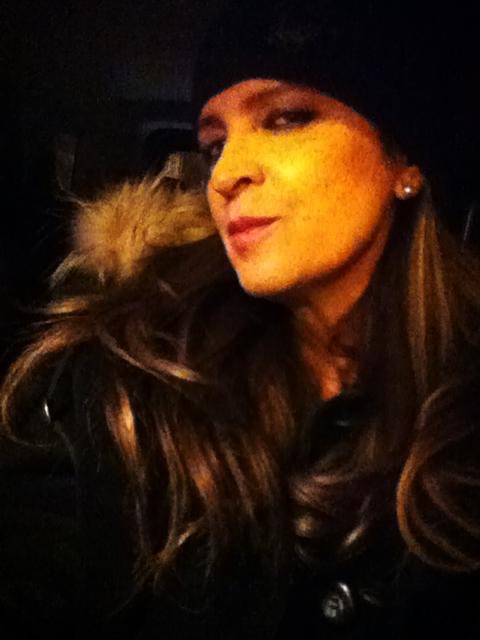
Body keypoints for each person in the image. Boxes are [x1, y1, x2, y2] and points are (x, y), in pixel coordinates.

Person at [1, 0, 480, 637]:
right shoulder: (126, 382)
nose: (226, 174)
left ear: (404, 161)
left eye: (286, 119)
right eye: (214, 146)